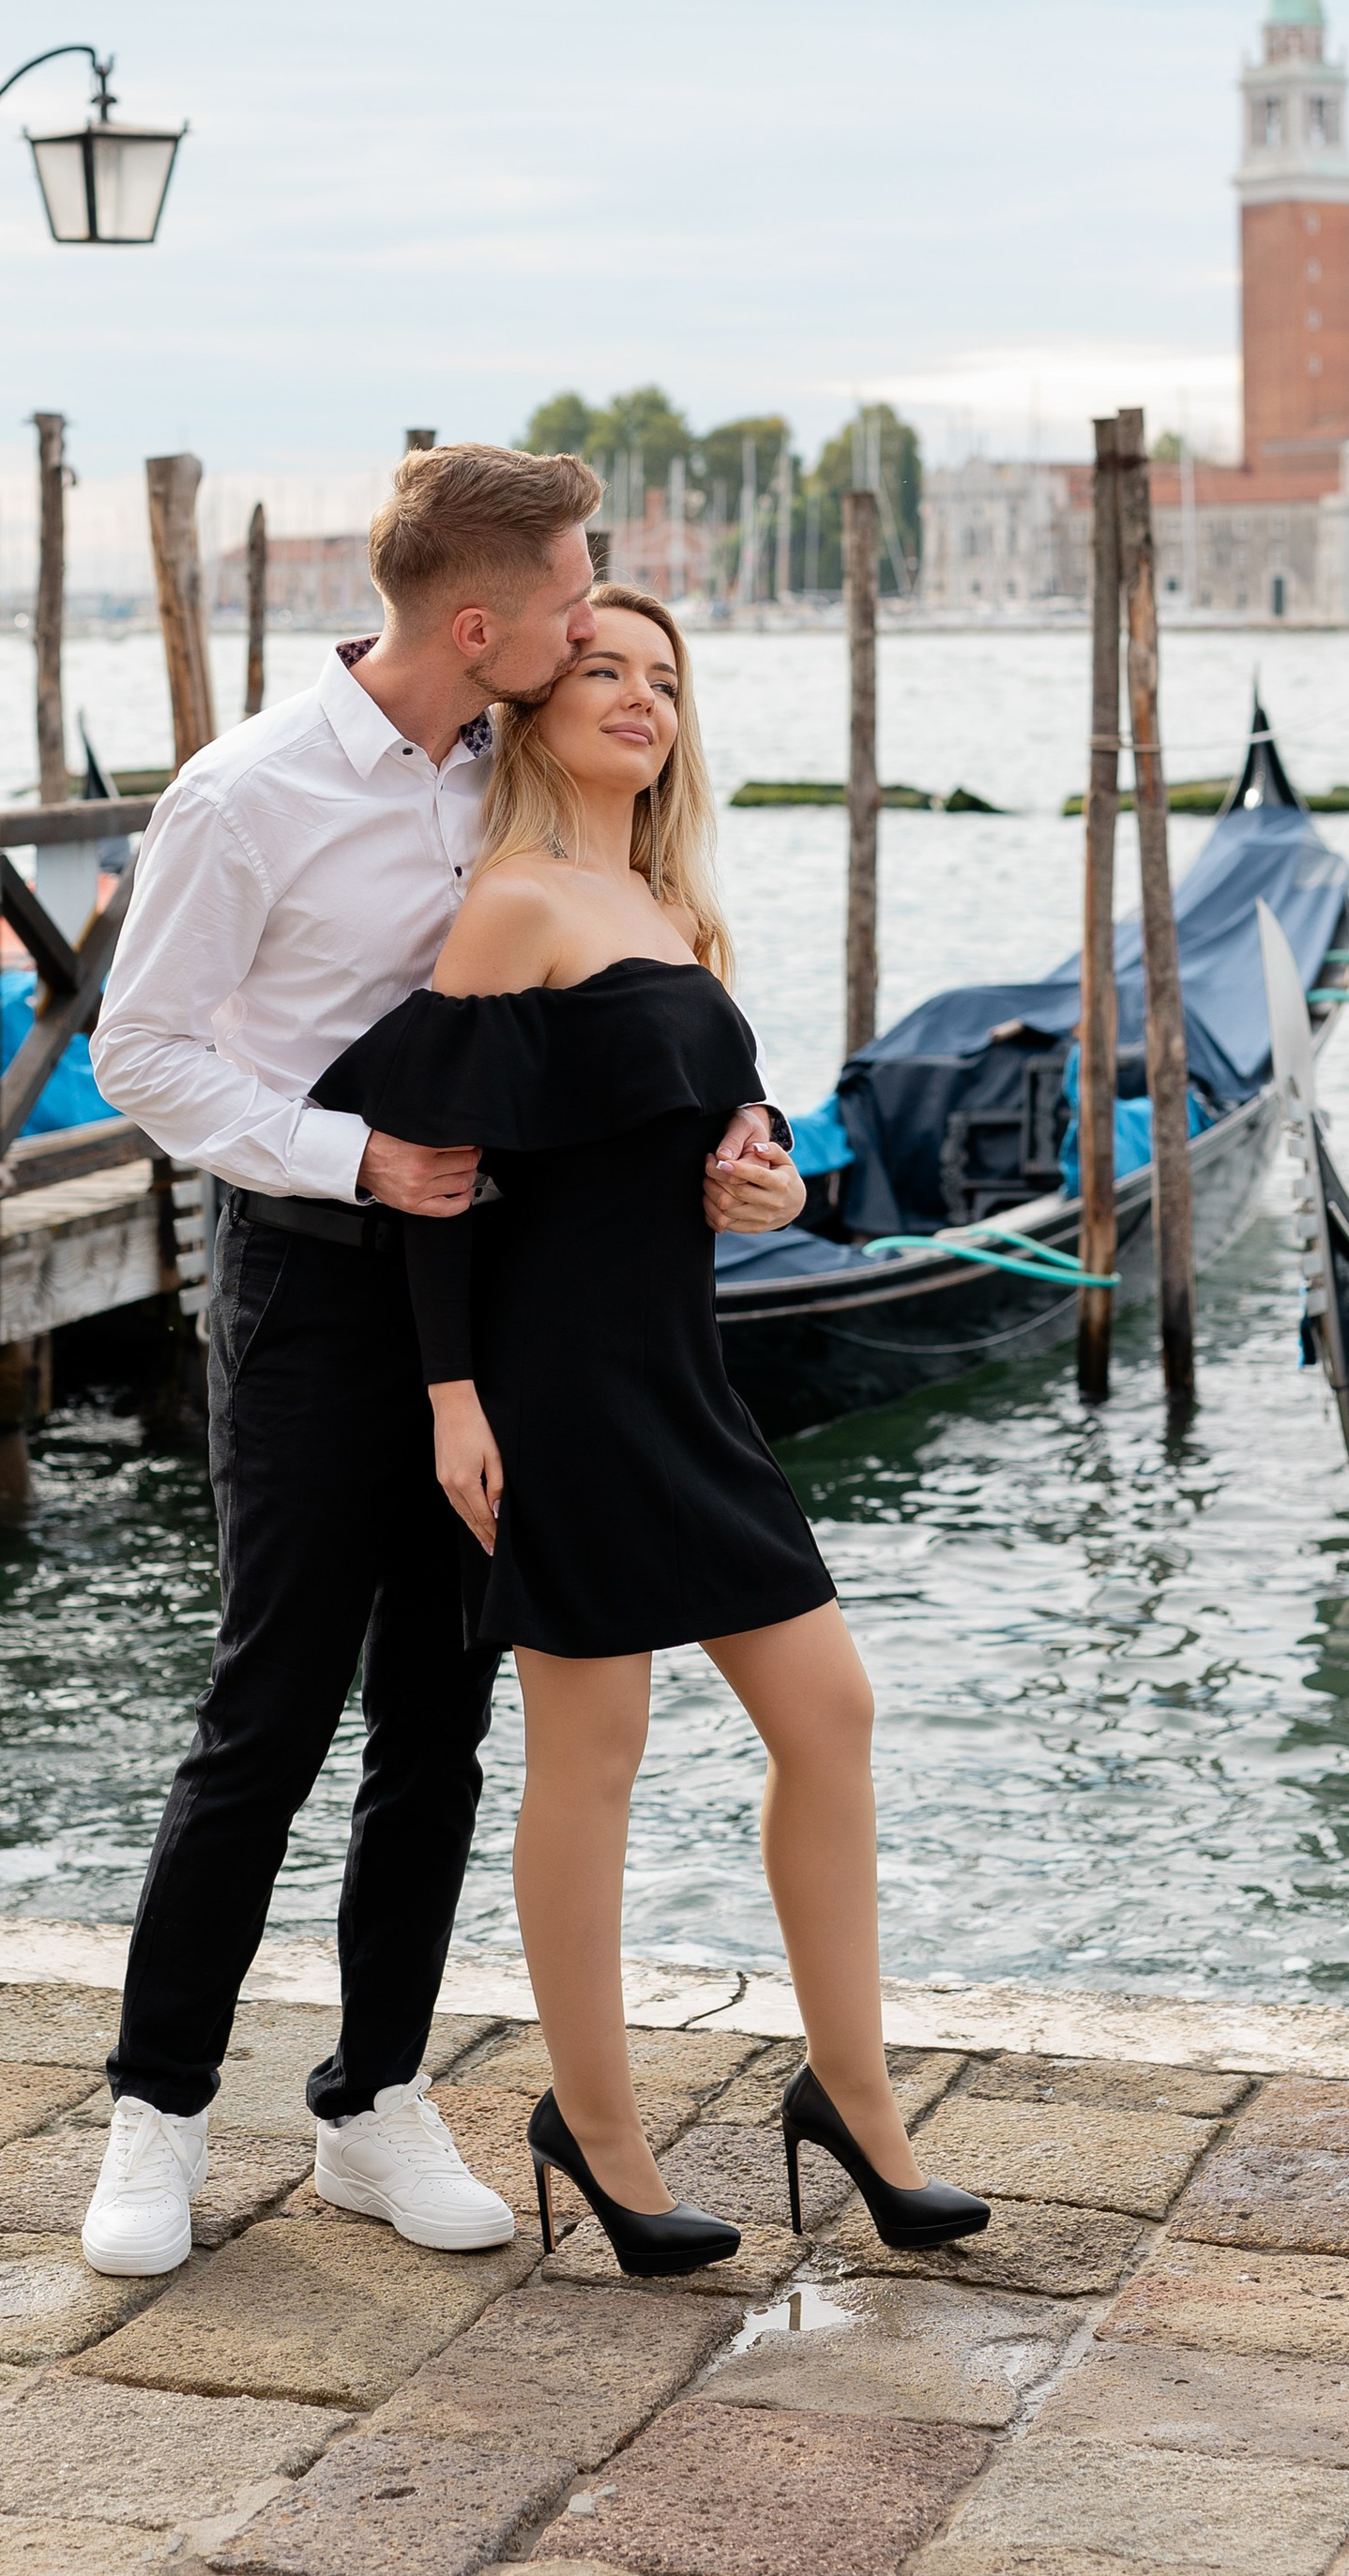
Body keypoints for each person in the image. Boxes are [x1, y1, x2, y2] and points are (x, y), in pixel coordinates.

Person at [79, 452, 784, 2280]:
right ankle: (153, 2110)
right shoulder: (246, 793)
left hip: (501, 1313)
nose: (588, 633)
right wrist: (351, 1157)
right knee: (269, 1711)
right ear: (476, 623)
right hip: (316, 1284)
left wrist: (734, 1153)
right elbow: (139, 1054)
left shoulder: (513, 761)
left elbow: (635, 987)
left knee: (439, 1726)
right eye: (568, 604)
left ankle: (368, 2100)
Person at [313, 587, 992, 2275]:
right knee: (590, 1762)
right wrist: (455, 1400)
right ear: (532, 706)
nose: (637, 697)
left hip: (683, 1378)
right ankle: (599, 2133)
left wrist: (768, 1185)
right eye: (599, 670)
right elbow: (439, 1183)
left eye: (664, 680)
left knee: (829, 1715)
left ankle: (858, 2106)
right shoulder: (513, 905)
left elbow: (703, 1160)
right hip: (550, 1388)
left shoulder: (669, 908)